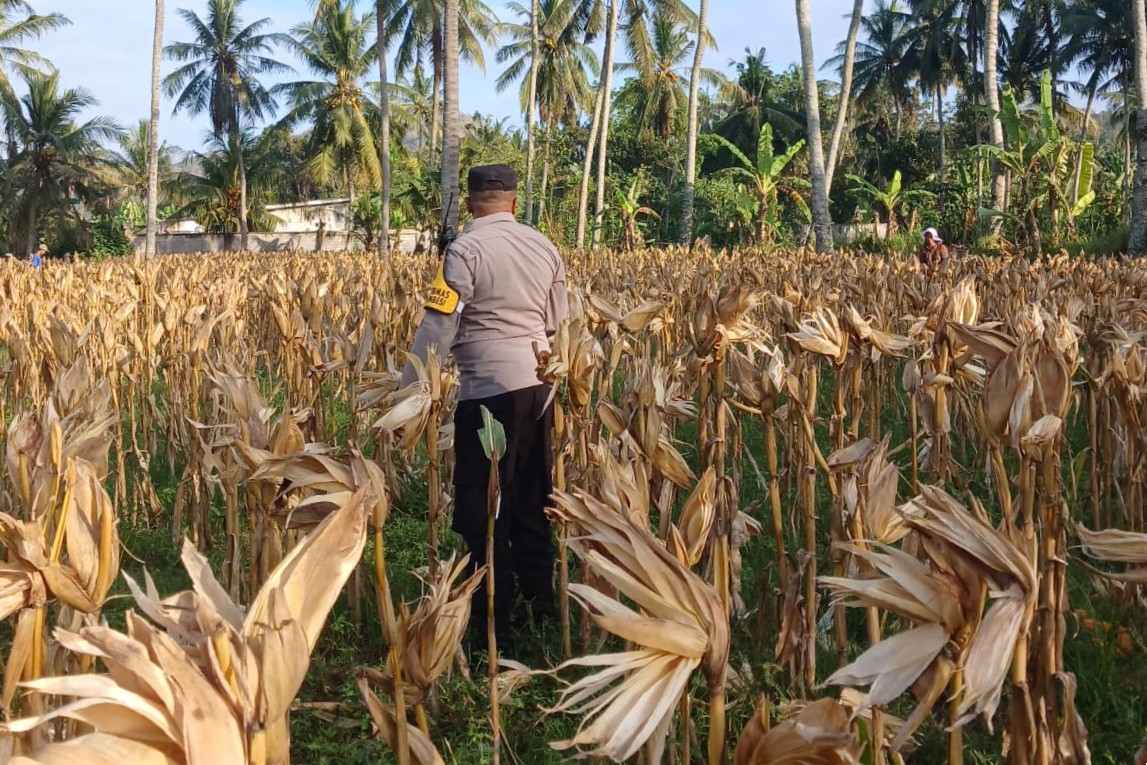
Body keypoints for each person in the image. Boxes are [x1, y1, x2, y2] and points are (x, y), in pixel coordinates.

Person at [400, 164, 568, 651]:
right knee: (532, 493)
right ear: (514, 202)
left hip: (487, 392)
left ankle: (494, 610)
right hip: (539, 387)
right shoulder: (545, 247)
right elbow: (558, 322)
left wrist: (411, 385)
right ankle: (540, 600)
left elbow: (439, 324)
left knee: (482, 501)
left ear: (471, 202)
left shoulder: (464, 249)